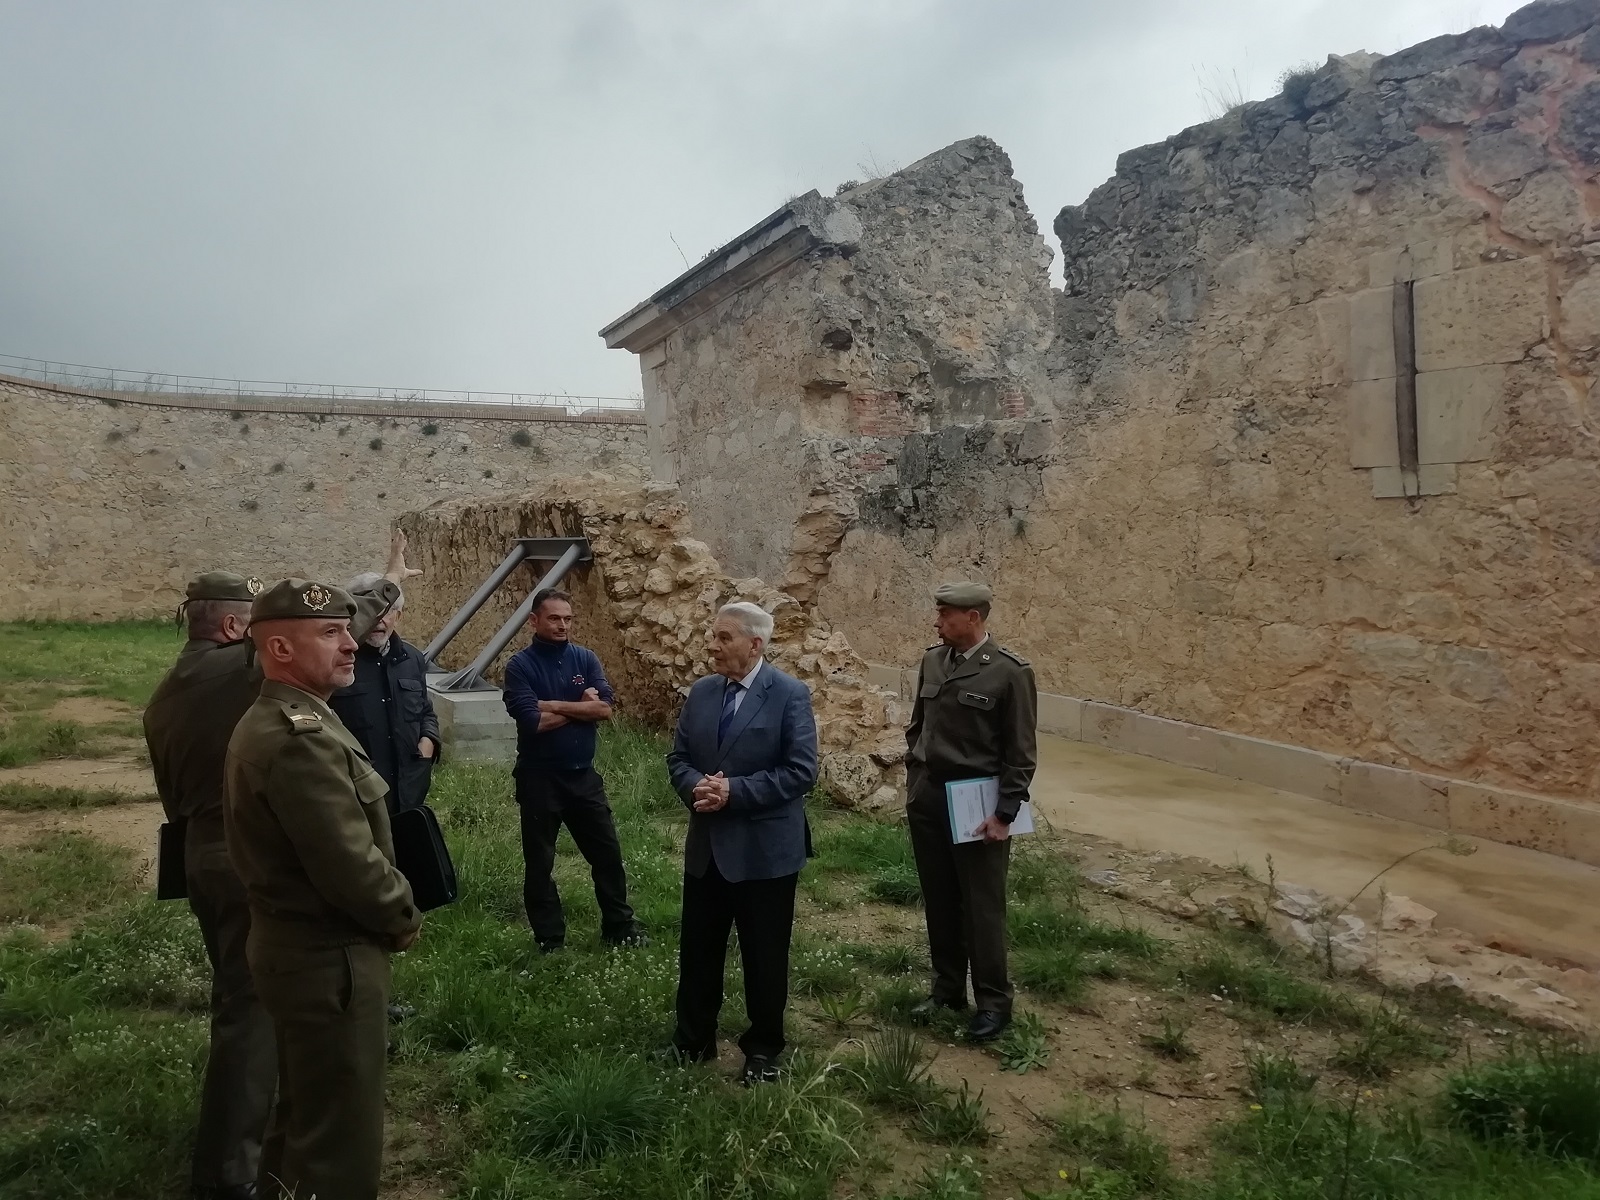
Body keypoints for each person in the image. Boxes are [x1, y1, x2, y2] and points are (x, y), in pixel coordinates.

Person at [224, 579, 421, 1200]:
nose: (350, 645)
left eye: (347, 630)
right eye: (330, 634)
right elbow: (349, 865)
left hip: (299, 952)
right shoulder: (298, 740)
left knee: (306, 1118)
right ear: (279, 648)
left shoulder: (294, 714)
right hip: (328, 959)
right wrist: (402, 914)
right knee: (339, 1144)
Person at [143, 570, 272, 1200]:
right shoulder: (231, 673)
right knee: (248, 1012)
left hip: (198, 851)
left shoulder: (163, 697)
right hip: (240, 854)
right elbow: (308, 635)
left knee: (241, 996)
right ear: (231, 627)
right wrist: (384, 583)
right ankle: (229, 1174)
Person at [664, 601, 818, 1084]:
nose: (712, 645)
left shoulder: (789, 694)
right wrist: (695, 788)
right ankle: (693, 1041)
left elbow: (801, 771)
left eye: (723, 637)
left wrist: (734, 792)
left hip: (765, 852)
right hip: (708, 846)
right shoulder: (703, 693)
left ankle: (763, 1049)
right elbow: (679, 757)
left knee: (765, 955)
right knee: (699, 951)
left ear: (755, 645)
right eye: (712, 635)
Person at [903, 581, 1038, 1044]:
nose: (937, 621)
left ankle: (994, 1004)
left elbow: (1020, 753)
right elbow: (917, 728)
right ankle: (946, 991)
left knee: (982, 908)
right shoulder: (933, 660)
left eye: (945, 614)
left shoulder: (1009, 673)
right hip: (929, 799)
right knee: (939, 899)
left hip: (978, 805)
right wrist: (914, 778)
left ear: (974, 618)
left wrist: (1004, 813)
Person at [502, 588, 644, 953]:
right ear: (534, 621)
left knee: (608, 854)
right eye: (554, 618)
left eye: (568, 618)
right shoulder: (520, 666)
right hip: (539, 778)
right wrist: (579, 709)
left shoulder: (585, 659)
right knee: (541, 863)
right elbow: (533, 722)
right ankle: (550, 938)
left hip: (583, 777)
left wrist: (552, 705)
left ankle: (619, 925)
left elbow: (605, 710)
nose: (562, 625)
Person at [329, 573, 440, 816]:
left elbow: (425, 710)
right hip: (356, 798)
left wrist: (428, 743)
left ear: (398, 616)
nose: (378, 620)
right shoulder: (339, 662)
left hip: (408, 793)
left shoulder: (412, 659)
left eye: (387, 611)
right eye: (370, 612)